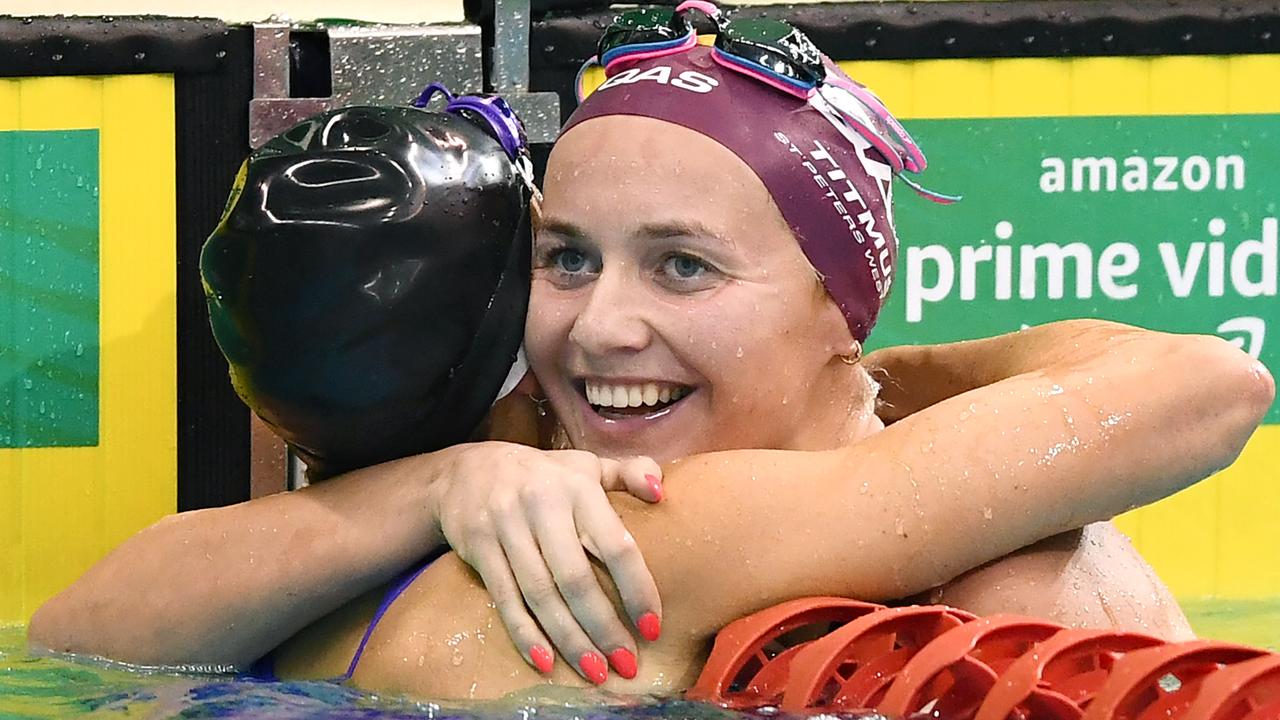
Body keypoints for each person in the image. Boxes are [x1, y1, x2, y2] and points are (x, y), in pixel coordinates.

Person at [30, 6, 1273, 702]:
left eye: (682, 266)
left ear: (844, 313)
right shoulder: (591, 487)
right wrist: (435, 483)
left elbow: (79, 641)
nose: (598, 325)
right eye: (565, 259)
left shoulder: (689, 506)